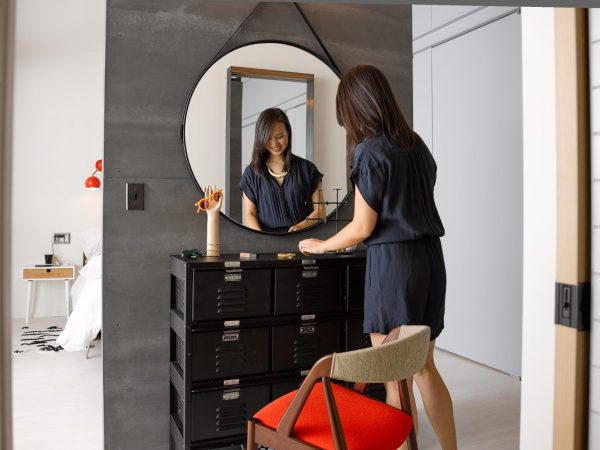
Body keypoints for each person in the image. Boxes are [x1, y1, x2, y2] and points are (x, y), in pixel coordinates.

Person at [298, 65, 458, 450]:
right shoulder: (416, 144)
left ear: (355, 108)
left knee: (394, 376)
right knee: (423, 366)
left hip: (395, 267)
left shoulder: (370, 151)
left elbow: (361, 227)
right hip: (430, 261)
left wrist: (320, 245)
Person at [239, 108, 325, 233]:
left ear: (288, 134)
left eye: (280, 137)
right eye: (268, 138)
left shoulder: (307, 169)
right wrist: (262, 239)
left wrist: (299, 227)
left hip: (304, 241)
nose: (274, 143)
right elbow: (250, 214)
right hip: (267, 245)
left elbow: (320, 210)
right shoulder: (250, 174)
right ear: (261, 138)